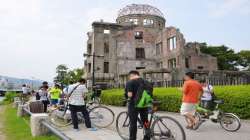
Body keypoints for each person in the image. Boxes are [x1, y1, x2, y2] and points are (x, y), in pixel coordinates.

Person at [125, 70, 149, 140]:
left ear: (132, 75)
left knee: (133, 123)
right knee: (145, 121)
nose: (129, 78)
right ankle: (147, 137)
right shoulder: (146, 82)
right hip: (144, 103)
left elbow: (130, 95)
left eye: (129, 77)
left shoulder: (130, 82)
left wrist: (127, 97)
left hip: (134, 105)